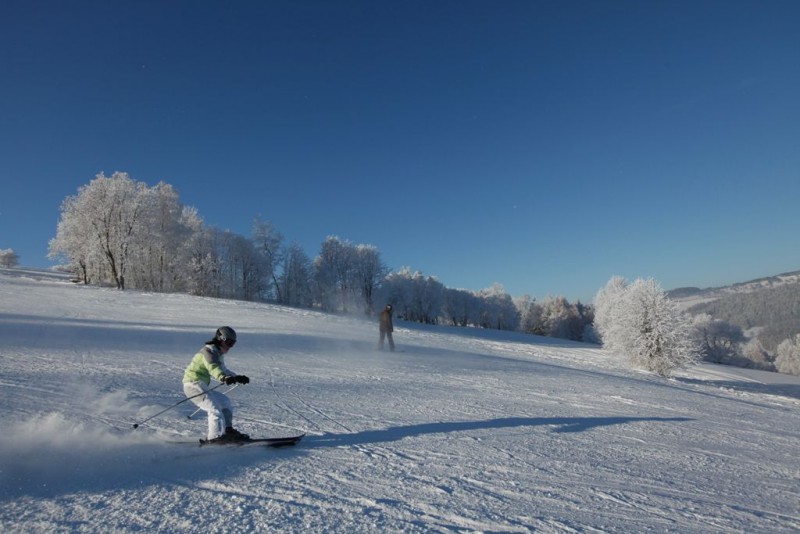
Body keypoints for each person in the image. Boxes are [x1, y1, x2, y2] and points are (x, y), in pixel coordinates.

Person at [183, 326, 251, 442]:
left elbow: (222, 369)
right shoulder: (208, 351)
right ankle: (214, 438)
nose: (230, 346)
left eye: (233, 343)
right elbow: (213, 367)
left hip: (200, 385)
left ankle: (227, 430)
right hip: (193, 385)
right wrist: (223, 378)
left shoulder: (217, 352)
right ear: (221, 339)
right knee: (214, 409)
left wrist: (236, 377)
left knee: (225, 402)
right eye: (229, 343)